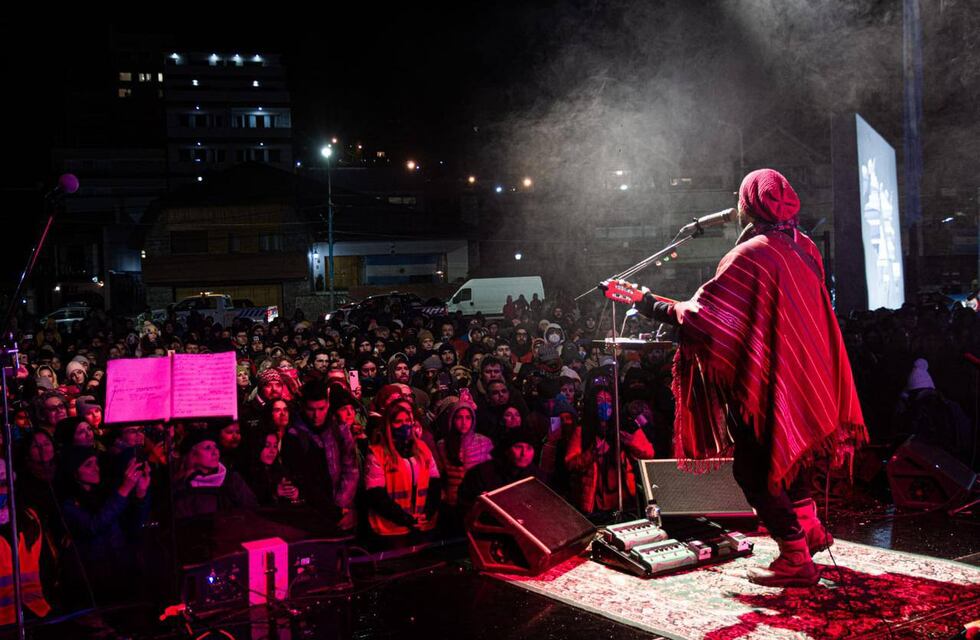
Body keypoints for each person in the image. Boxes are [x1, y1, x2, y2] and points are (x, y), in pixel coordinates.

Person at [609, 168, 866, 587]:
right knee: (792, 452)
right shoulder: (804, 247)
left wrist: (646, 302)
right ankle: (810, 529)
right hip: (805, 372)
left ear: (750, 203)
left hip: (767, 380)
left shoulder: (751, 255)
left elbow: (705, 320)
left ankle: (795, 556)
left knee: (754, 471)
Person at [363, 399, 441, 538]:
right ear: (389, 425)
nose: (404, 425)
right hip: (391, 528)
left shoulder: (422, 448)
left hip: (423, 524)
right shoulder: (377, 453)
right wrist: (405, 518)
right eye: (398, 422)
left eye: (407, 420)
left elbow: (434, 484)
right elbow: (376, 496)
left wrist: (427, 513)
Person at [435, 390, 493, 511]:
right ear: (452, 419)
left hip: (476, 502)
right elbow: (439, 474)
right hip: (452, 502)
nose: (463, 422)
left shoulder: (483, 442)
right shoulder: (443, 444)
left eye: (467, 418)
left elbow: (489, 474)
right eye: (459, 418)